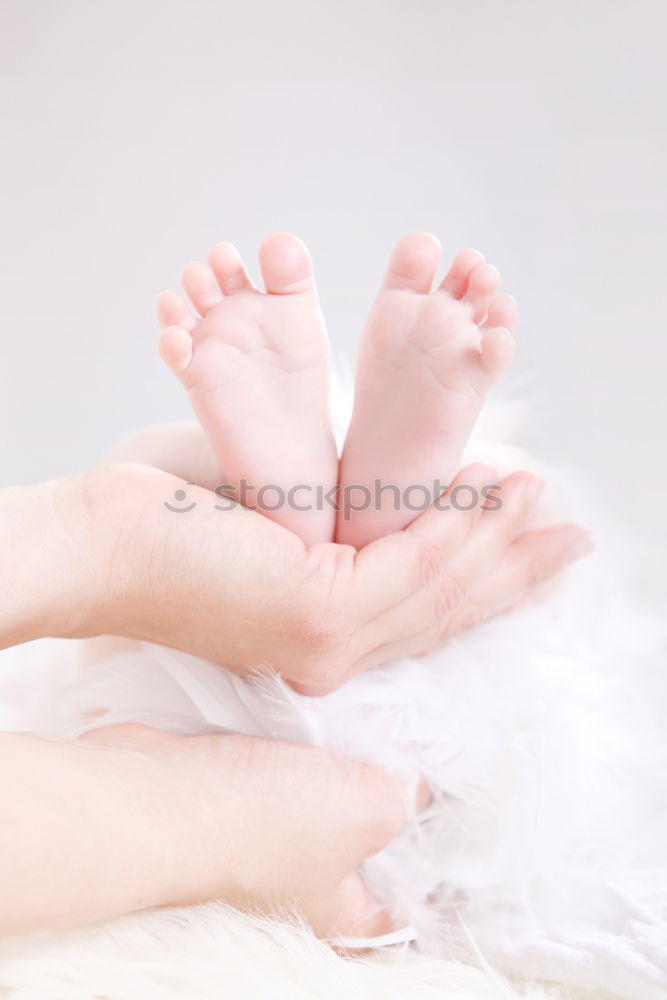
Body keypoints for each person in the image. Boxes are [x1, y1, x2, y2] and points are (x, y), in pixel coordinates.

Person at [0, 234, 592, 939]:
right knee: (134, 523)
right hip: (349, 756)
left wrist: (112, 533)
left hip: (176, 729)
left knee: (126, 627)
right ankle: (298, 503)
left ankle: (234, 499)